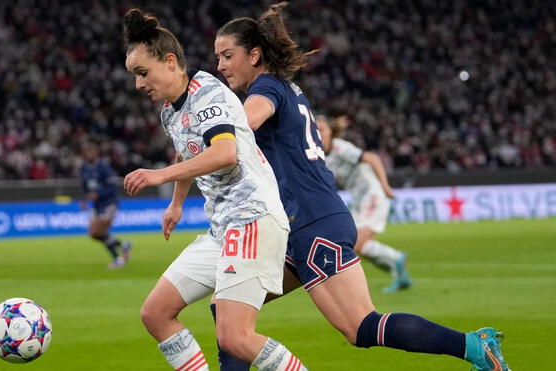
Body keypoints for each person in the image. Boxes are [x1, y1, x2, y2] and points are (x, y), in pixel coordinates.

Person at [212, 2, 509, 370]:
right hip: (302, 224)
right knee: (227, 311)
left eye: (227, 56)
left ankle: (473, 347)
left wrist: (207, 131)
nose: (220, 66)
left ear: (254, 54)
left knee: (362, 327)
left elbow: (247, 122)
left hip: (311, 224)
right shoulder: (286, 88)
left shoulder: (266, 88)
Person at [122, 8, 307, 371]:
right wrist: (176, 202)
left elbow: (225, 153)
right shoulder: (169, 110)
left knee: (235, 337)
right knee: (156, 314)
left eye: (143, 73)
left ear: (170, 61)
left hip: (253, 219)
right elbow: (185, 144)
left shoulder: (208, 92)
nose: (139, 84)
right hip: (222, 228)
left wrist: (161, 176)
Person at [317, 114, 412, 293]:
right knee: (353, 243)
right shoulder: (320, 156)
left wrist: (384, 185)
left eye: (322, 129)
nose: (318, 133)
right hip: (359, 199)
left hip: (372, 195)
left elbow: (373, 158)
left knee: (356, 243)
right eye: (314, 129)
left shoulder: (340, 148)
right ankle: (399, 272)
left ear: (331, 133)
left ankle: (396, 259)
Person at [80, 141, 132, 269]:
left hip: (109, 203)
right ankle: (123, 244)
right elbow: (84, 186)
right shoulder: (83, 168)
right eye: (87, 152)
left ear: (96, 153)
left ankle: (117, 259)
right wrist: (83, 199)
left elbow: (113, 187)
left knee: (100, 230)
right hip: (96, 205)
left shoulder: (103, 167)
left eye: (91, 151)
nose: (89, 154)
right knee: (94, 234)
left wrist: (99, 194)